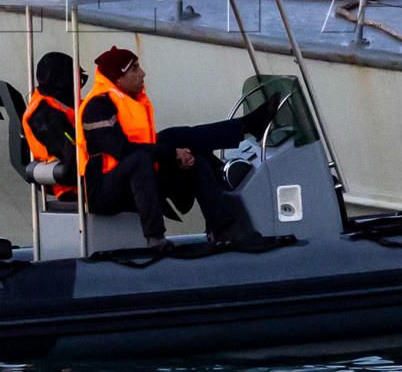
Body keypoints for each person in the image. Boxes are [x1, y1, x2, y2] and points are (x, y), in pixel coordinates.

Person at [77, 46, 273, 250]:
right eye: (134, 69)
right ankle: (155, 239)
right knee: (142, 158)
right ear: (118, 78)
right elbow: (123, 151)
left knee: (190, 154)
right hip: (104, 192)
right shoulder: (97, 107)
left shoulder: (127, 100)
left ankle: (223, 230)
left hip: (138, 179)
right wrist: (171, 154)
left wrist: (179, 154)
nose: (142, 73)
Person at [21, 51, 83, 204]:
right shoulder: (43, 115)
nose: (79, 85)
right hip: (75, 188)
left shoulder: (60, 103)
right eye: (77, 79)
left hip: (87, 179)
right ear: (64, 82)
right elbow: (70, 151)